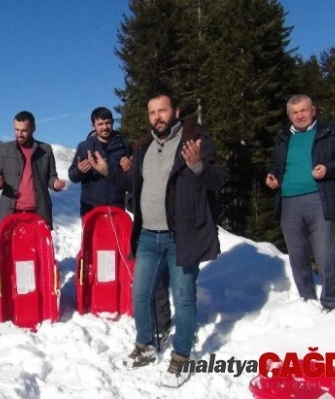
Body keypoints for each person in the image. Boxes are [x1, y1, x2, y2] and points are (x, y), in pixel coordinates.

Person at [87, 91, 225, 387]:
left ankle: (181, 357)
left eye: (162, 111)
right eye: (152, 112)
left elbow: (217, 180)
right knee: (141, 295)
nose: (157, 117)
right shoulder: (145, 146)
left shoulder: (195, 142)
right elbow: (132, 183)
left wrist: (199, 166)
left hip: (181, 237)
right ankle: (145, 347)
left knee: (184, 299)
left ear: (176, 111)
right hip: (148, 235)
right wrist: (108, 171)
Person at [69, 106, 172, 343]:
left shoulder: (123, 145)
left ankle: (118, 291)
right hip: (91, 208)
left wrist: (129, 168)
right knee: (93, 254)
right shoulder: (85, 147)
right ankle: (93, 291)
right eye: (100, 123)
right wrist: (81, 172)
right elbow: (73, 175)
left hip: (116, 207)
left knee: (117, 253)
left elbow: (133, 176)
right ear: (93, 125)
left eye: (108, 122)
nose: (105, 127)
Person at [265, 94, 335, 313]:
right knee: (297, 255)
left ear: (313, 110)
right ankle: (307, 299)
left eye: (303, 111)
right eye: (294, 113)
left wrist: (328, 169)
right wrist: (272, 176)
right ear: (289, 116)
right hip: (288, 202)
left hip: (319, 198)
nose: (300, 116)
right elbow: (276, 164)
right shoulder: (283, 137)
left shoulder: (328, 132)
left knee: (325, 254)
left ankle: (331, 302)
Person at [0, 111, 66, 229]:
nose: (19, 134)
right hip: (11, 211)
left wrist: (55, 184)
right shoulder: (5, 149)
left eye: (24, 131)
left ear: (33, 129)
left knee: (36, 247)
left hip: (38, 211)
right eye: (16, 129)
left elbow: (51, 176)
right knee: (11, 247)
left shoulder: (45, 149)